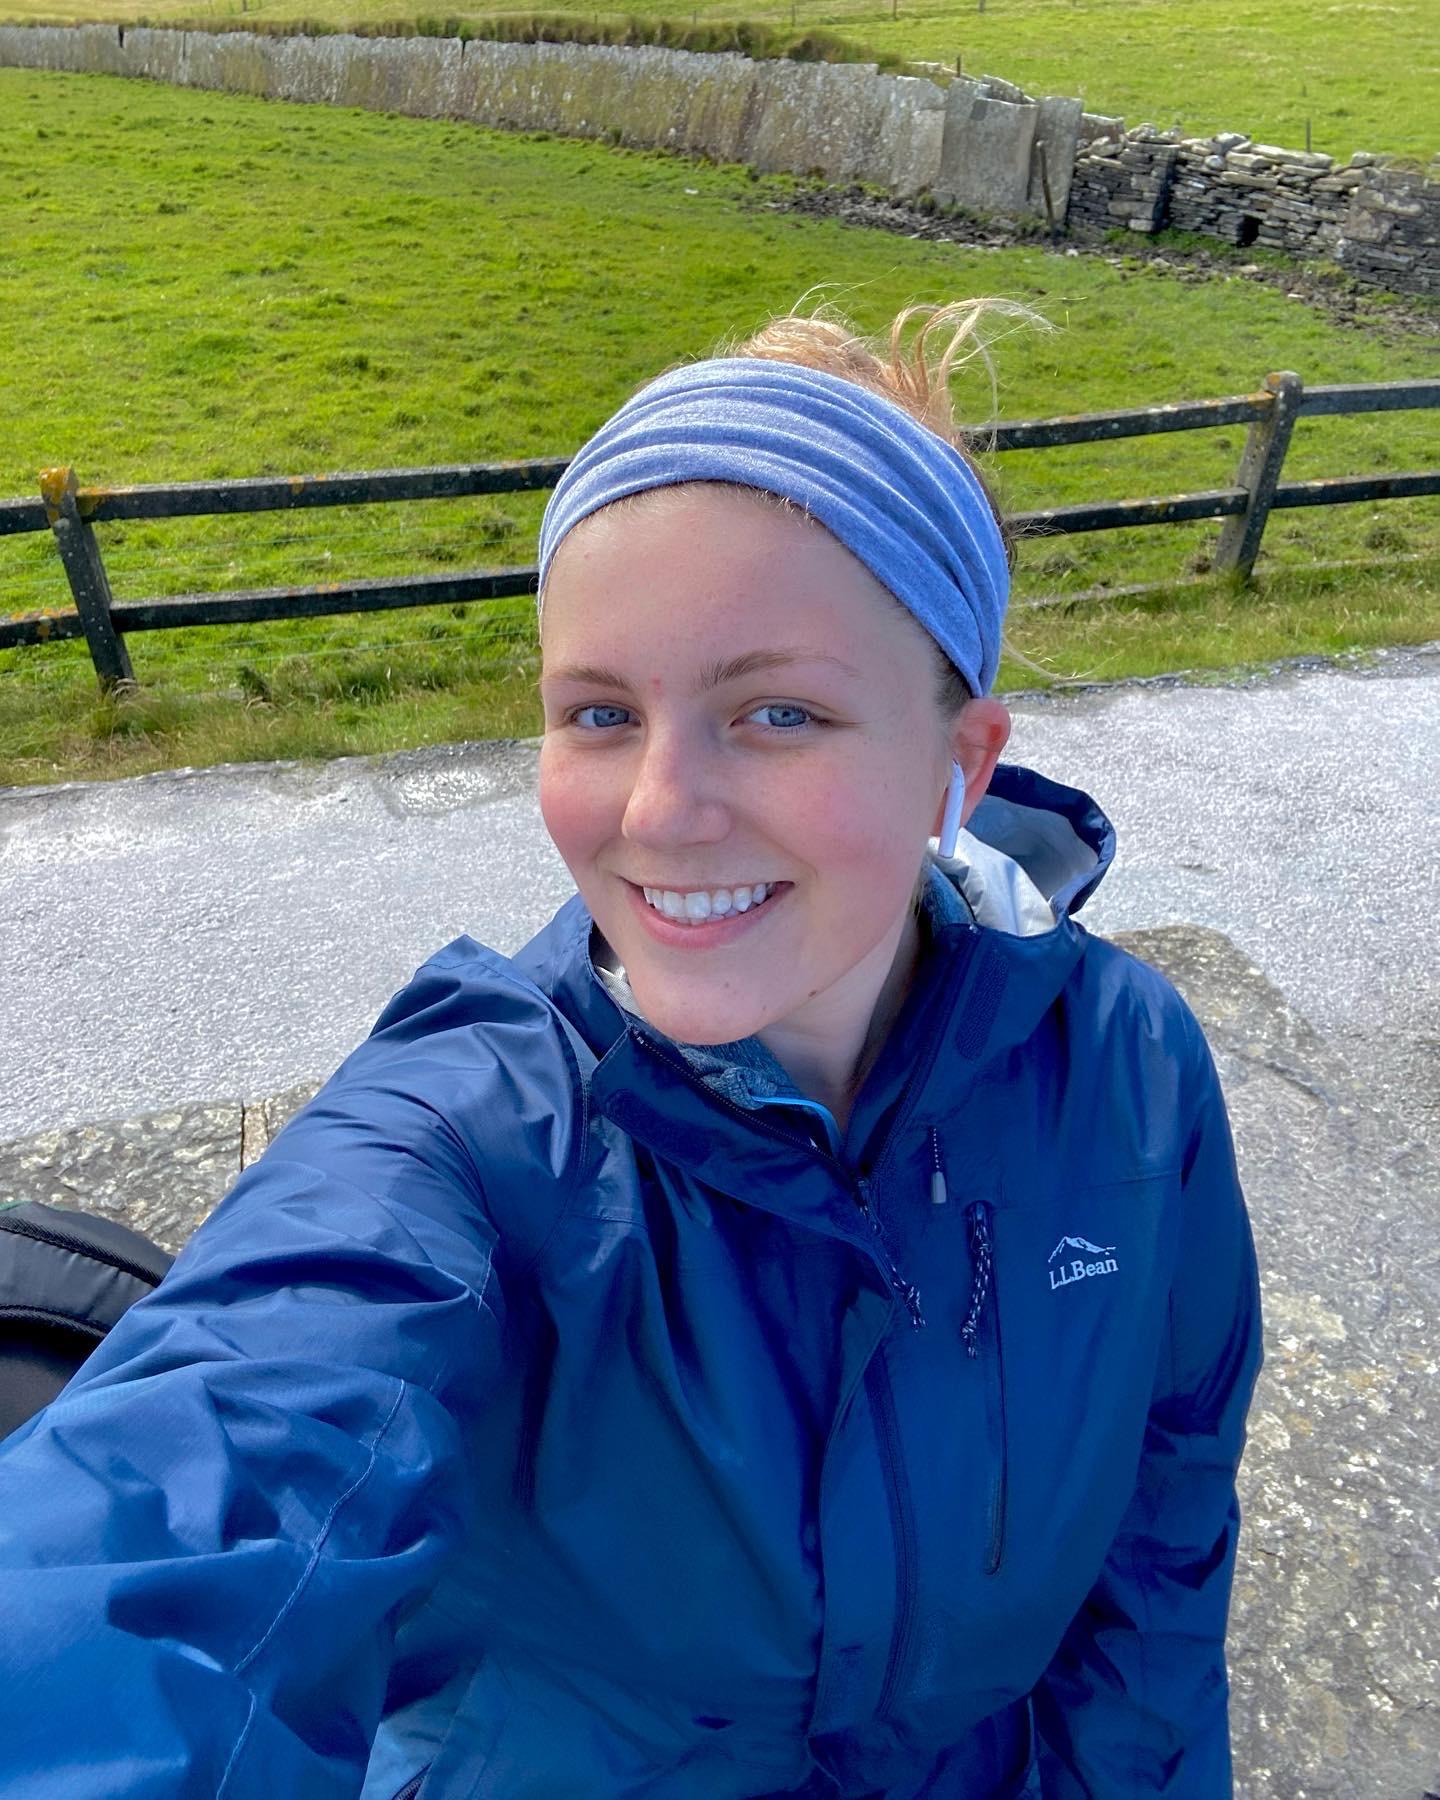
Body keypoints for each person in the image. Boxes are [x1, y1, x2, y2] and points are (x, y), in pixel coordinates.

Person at [0, 301, 1262, 1798]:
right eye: (601, 712)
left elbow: (1165, 1536)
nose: (659, 810)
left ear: (960, 763)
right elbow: (173, 1521)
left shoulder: (1125, 1074)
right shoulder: (464, 1139)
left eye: (777, 712)